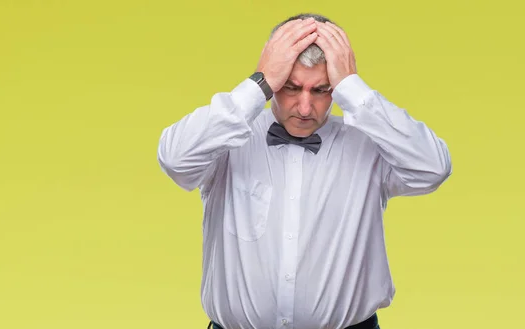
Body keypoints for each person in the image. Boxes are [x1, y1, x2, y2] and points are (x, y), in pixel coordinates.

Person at [157, 12, 452, 329]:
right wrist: (259, 84)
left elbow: (433, 168)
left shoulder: (370, 144)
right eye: (291, 87)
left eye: (321, 90)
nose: (304, 108)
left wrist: (354, 88)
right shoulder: (228, 138)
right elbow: (174, 158)